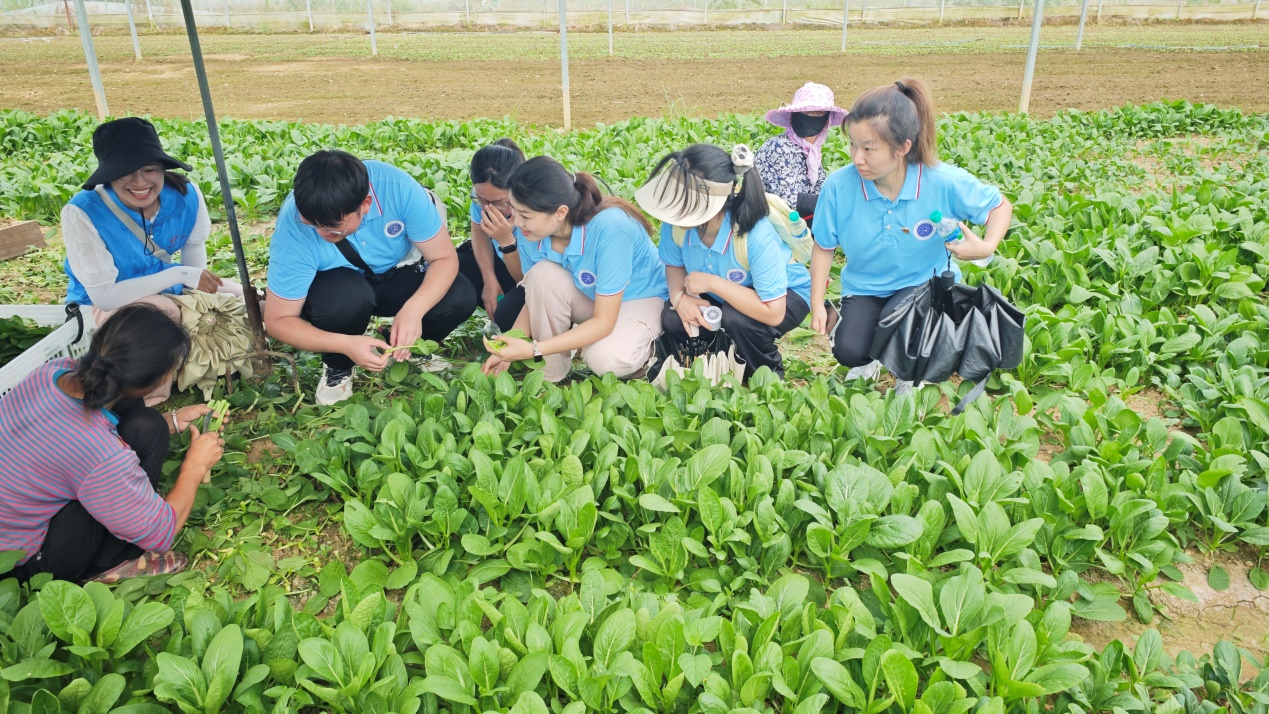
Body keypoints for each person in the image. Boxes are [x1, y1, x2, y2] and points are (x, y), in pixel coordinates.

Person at [809, 78, 1013, 392]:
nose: (857, 158)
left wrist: (986, 245)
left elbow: (999, 206)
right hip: (866, 287)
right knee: (849, 350)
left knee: (901, 326)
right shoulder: (839, 186)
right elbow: (823, 247)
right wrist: (817, 303)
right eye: (853, 144)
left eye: (869, 149)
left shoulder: (941, 181)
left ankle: (912, 371)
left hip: (922, 285)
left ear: (903, 147)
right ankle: (871, 361)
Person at [0, 304, 225, 583]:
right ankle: (110, 564)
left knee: (148, 423)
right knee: (112, 478)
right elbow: (161, 531)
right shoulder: (97, 454)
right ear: (154, 381)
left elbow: (68, 441)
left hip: (11, 522)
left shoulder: (53, 372)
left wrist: (174, 420)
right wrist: (194, 465)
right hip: (20, 563)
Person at [263, 150, 478, 405]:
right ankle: (339, 365)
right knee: (343, 299)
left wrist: (413, 310)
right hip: (339, 287)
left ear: (364, 204)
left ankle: (400, 346)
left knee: (460, 295)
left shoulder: (398, 189)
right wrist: (344, 344)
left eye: (333, 228)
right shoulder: (293, 226)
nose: (321, 233)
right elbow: (278, 319)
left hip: (398, 272)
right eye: (312, 224)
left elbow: (444, 259)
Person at [61, 117, 242, 405]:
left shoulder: (185, 194)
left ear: (162, 168)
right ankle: (146, 400)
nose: (140, 182)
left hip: (165, 280)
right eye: (125, 173)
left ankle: (200, 366)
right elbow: (106, 297)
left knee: (244, 300)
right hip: (106, 299)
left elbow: (193, 251)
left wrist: (198, 296)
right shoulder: (83, 212)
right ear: (108, 174)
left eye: (149, 170)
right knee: (162, 314)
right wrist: (180, 276)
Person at [482, 156, 668, 383]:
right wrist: (507, 346)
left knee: (605, 359)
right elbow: (536, 296)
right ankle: (550, 377)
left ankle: (655, 350)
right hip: (598, 299)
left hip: (642, 298)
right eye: (515, 211)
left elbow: (603, 321)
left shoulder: (611, 228)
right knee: (541, 275)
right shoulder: (531, 232)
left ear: (560, 213)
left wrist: (533, 349)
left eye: (526, 215)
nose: (517, 223)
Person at [636, 144, 813, 380]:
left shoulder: (755, 235)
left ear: (716, 201)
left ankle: (765, 377)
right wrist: (680, 299)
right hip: (725, 292)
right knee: (673, 317)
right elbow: (674, 266)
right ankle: (718, 363)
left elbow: (773, 313)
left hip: (783, 295)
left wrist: (712, 283)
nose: (675, 212)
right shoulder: (678, 224)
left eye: (686, 205)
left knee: (737, 319)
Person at [455, 139, 529, 331]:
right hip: (506, 262)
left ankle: (553, 333)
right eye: (481, 199)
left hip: (532, 277)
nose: (488, 208)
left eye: (500, 202)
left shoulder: (535, 207)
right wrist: (489, 279)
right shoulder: (485, 196)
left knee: (507, 315)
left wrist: (507, 241)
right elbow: (478, 231)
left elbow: (527, 277)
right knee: (456, 266)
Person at [754, 82, 848, 222]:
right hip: (769, 225)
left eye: (818, 113)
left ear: (826, 119)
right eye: (804, 113)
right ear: (793, 116)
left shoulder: (812, 151)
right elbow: (790, 203)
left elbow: (821, 190)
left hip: (796, 225)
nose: (810, 117)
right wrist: (838, 203)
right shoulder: (779, 147)